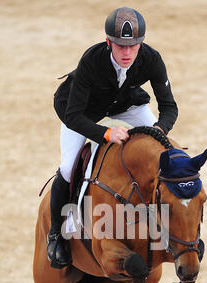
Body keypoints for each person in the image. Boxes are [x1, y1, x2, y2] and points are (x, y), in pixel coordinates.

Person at [48, 6, 178, 268]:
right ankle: (56, 235)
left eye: (133, 46)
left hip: (125, 105)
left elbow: (169, 108)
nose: (127, 53)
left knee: (165, 151)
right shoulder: (92, 60)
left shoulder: (151, 59)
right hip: (81, 111)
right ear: (109, 42)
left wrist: (159, 131)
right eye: (120, 46)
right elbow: (73, 116)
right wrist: (105, 133)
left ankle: (171, 222)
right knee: (67, 167)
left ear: (141, 43)